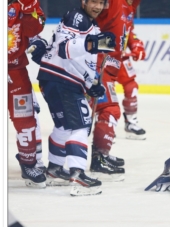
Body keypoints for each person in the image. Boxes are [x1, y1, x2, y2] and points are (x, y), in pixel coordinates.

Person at [35, 0, 116, 195]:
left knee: (64, 126)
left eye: (101, 3)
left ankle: (54, 169)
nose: (97, 6)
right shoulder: (78, 17)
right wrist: (92, 43)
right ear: (84, 2)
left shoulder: (90, 25)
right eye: (93, 2)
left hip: (56, 79)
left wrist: (92, 84)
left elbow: (79, 62)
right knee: (81, 125)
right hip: (62, 80)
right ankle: (77, 174)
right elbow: (64, 48)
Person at [88, 0, 146, 180]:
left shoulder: (130, 6)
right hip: (98, 65)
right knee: (108, 110)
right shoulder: (114, 2)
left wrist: (134, 43)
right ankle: (98, 158)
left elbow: (128, 31)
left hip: (111, 66)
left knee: (111, 108)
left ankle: (101, 155)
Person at [8, 0, 47, 188]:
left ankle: (29, 163)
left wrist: (28, 10)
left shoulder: (25, 4)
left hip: (16, 72)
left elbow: (34, 31)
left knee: (25, 120)